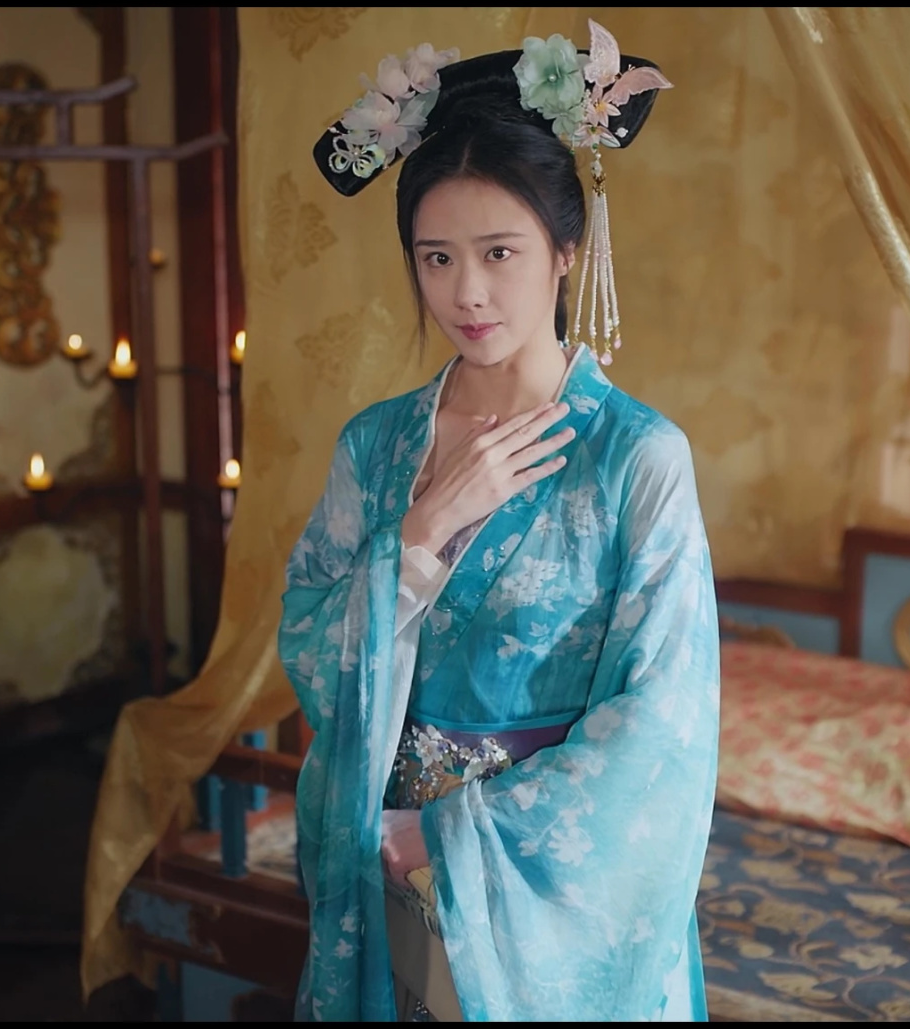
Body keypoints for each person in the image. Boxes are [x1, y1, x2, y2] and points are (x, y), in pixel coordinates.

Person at [280, 21, 719, 1022]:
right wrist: (419, 535)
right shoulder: (375, 446)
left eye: (498, 252)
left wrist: (445, 836)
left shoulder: (637, 458)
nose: (466, 293)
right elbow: (307, 640)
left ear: (566, 251)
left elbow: (660, 729)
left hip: (544, 893)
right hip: (379, 862)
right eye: (435, 257)